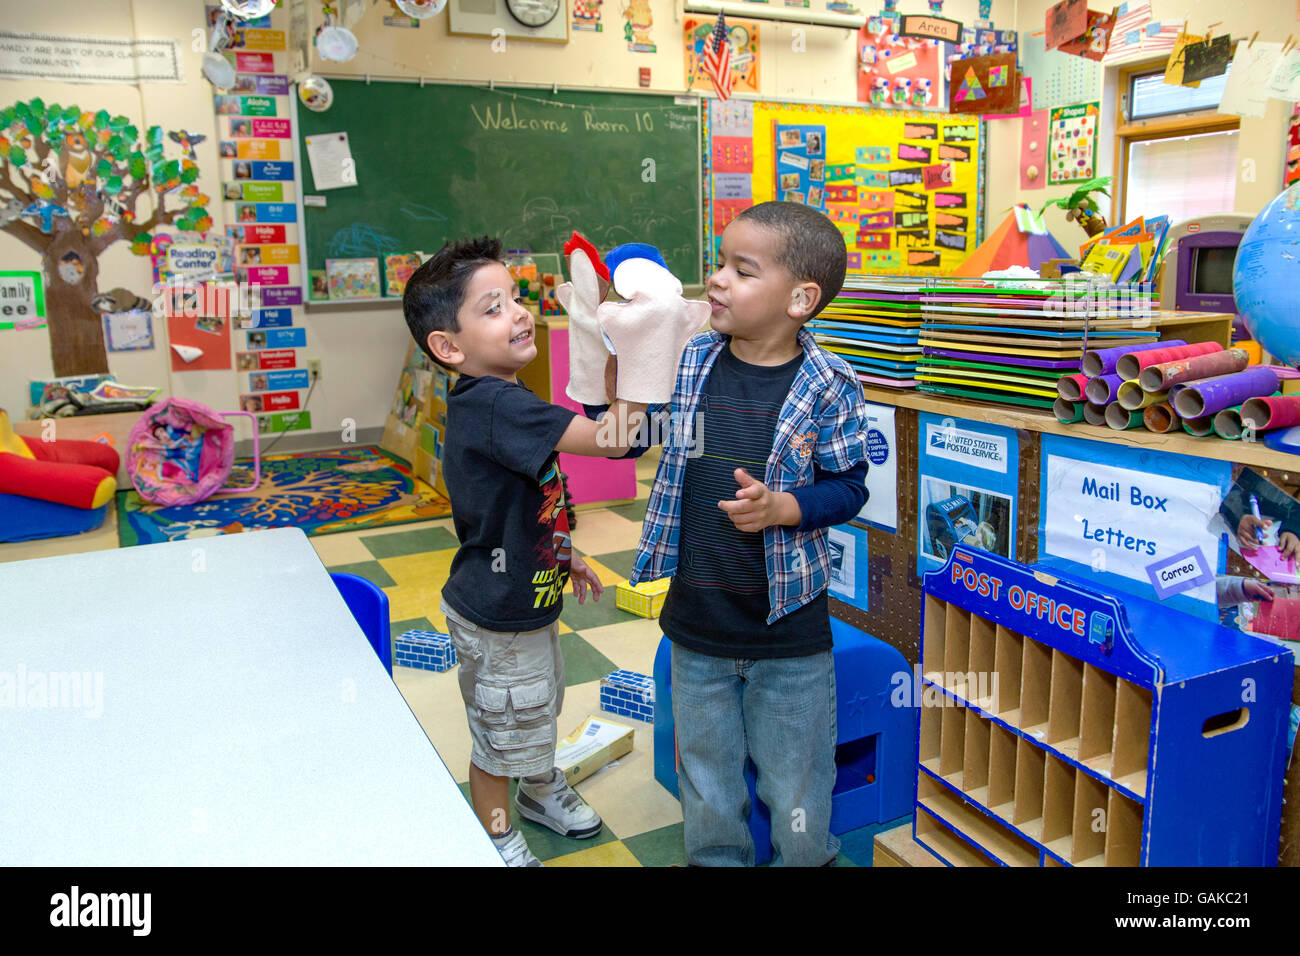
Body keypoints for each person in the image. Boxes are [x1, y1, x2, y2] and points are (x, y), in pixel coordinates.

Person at [401, 236, 689, 867]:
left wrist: (563, 554)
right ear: (448, 348)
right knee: (499, 735)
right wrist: (641, 355)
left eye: (516, 298)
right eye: (493, 307)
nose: (520, 313)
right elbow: (616, 441)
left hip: (523, 595)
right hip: (498, 612)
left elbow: (527, 500)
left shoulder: (501, 400)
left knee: (538, 707)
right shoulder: (500, 404)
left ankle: (540, 788)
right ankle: (499, 832)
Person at [628, 201, 870, 866]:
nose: (717, 280)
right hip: (697, 621)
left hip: (788, 633)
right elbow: (638, 432)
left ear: (800, 298)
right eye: (718, 263)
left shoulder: (830, 383)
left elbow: (849, 486)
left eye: (741, 269)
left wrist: (783, 508)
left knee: (796, 785)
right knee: (707, 779)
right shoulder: (692, 360)